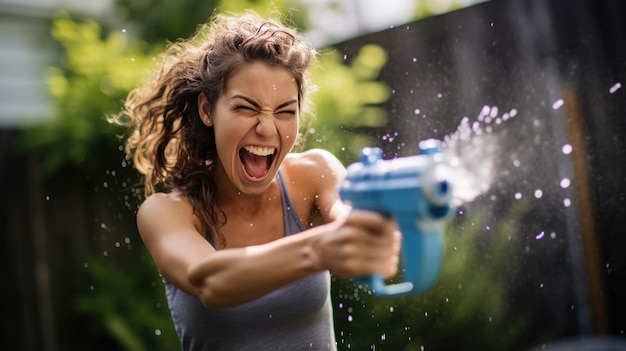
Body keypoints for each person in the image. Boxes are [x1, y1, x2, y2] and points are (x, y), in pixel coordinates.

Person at [114, 10, 400, 351]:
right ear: (207, 110)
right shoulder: (166, 213)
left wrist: (372, 230)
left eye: (284, 112)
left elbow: (350, 214)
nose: (267, 128)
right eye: (247, 108)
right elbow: (211, 281)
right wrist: (320, 249)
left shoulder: (313, 173)